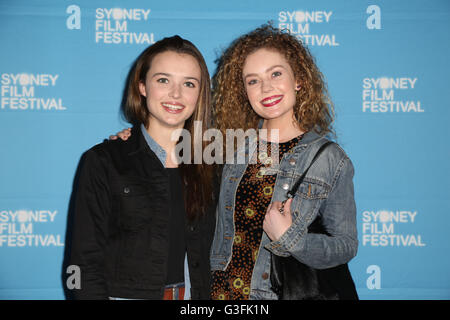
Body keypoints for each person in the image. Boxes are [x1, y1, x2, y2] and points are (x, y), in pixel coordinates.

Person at [209, 24, 358, 300]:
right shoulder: (231, 149)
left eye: (276, 74)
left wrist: (291, 238)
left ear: (298, 80)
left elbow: (345, 246)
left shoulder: (329, 159)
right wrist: (126, 138)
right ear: (244, 91)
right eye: (252, 80)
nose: (266, 87)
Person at [69, 35, 217, 300]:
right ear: (142, 86)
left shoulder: (213, 166)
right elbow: (83, 261)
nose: (176, 94)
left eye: (189, 83)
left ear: (200, 93)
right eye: (163, 80)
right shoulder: (105, 161)